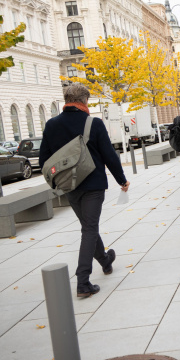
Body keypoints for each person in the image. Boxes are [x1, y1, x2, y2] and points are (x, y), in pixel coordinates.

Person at [40, 83, 130, 298]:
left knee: (88, 226)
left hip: (69, 186)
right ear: (84, 101)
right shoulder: (93, 123)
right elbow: (109, 155)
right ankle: (83, 281)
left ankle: (105, 261)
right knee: (89, 228)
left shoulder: (52, 125)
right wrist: (122, 180)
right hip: (93, 184)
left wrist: (56, 180)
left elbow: (44, 159)